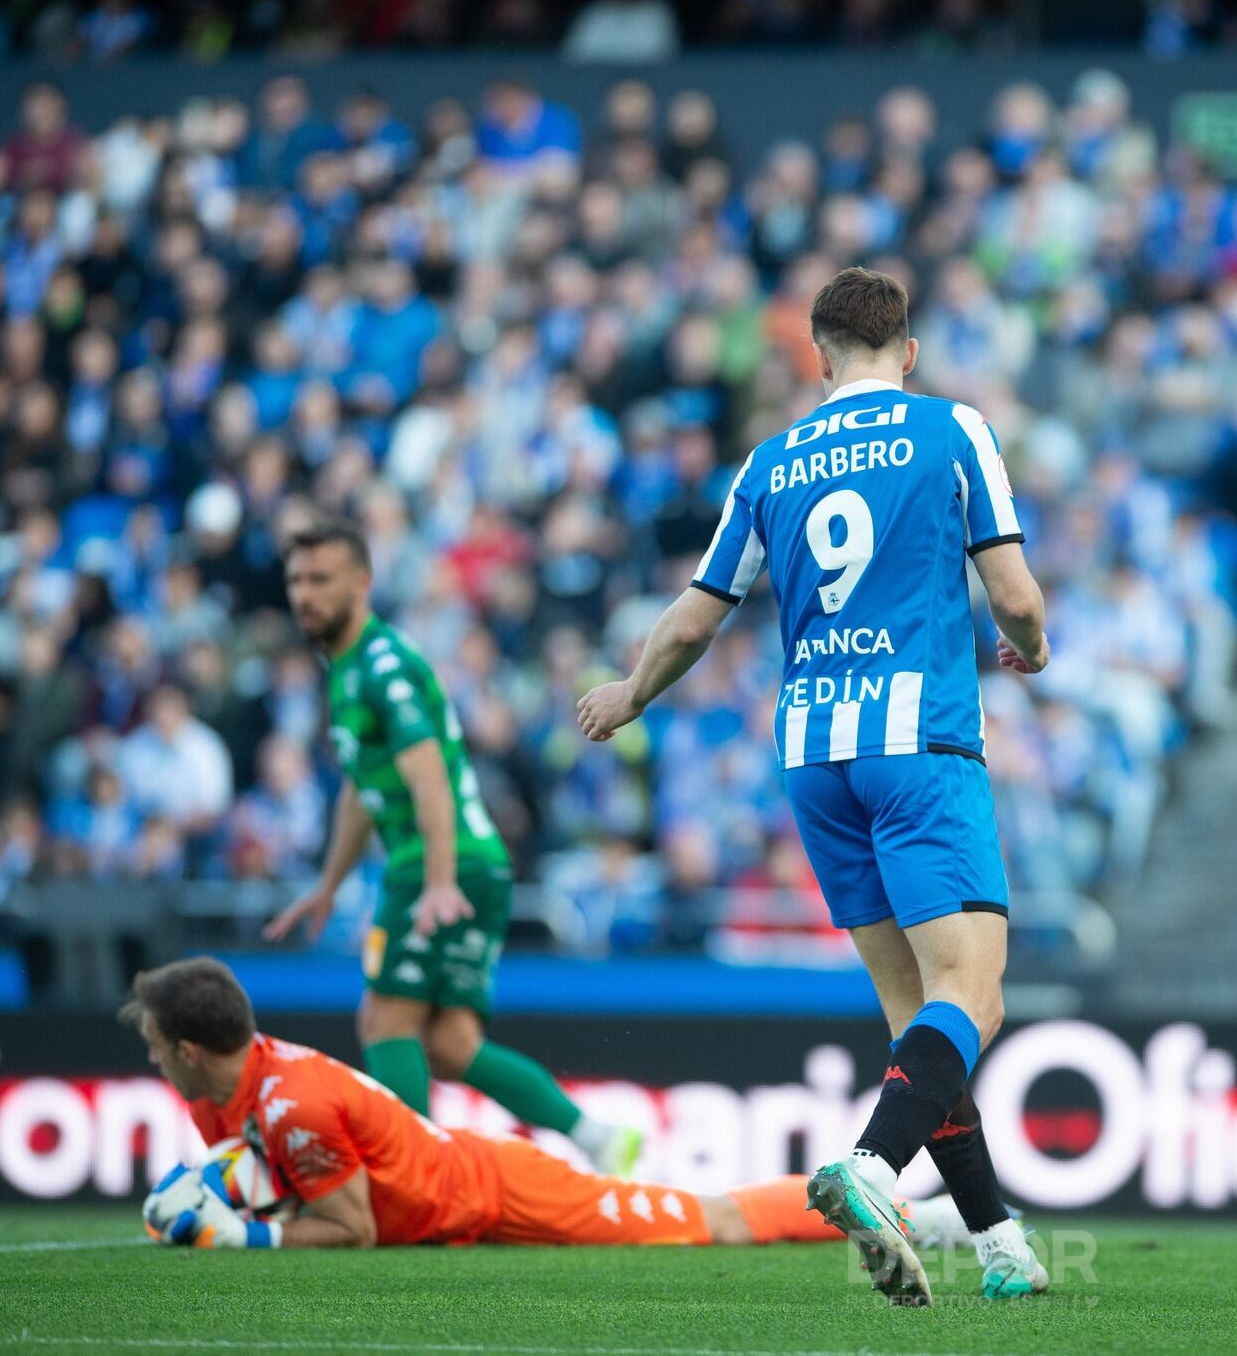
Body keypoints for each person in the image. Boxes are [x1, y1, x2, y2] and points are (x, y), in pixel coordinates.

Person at [576, 266, 1049, 1304]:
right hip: (916, 743)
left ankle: (999, 1238)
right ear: (906, 352)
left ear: (818, 354)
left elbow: (699, 615)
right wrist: (1033, 647)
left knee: (911, 1016)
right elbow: (1010, 591)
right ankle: (872, 1169)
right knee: (972, 994)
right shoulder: (949, 428)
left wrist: (630, 694)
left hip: (812, 759)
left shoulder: (771, 459)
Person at [263, 522, 642, 1178]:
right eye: (296, 580)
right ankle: (596, 1134)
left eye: (319, 579)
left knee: (385, 1018)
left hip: (440, 863)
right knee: (449, 1042)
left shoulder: (381, 665)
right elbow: (363, 789)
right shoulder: (349, 669)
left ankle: (411, 1178)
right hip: (472, 861)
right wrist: (328, 885)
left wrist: (438, 879)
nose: (304, 594)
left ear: (361, 582)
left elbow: (428, 773)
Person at [127, 957, 965, 1251]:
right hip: (456, 1193)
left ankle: (908, 1212)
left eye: (157, 1044)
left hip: (498, 1189)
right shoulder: (238, 1085)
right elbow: (266, 1161)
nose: (153, 1055)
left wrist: (238, 1230)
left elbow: (355, 1229)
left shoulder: (291, 1102)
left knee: (715, 1221)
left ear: (191, 1049)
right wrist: (211, 1183)